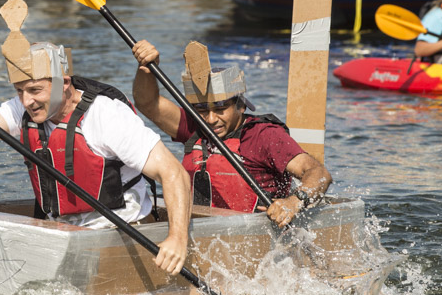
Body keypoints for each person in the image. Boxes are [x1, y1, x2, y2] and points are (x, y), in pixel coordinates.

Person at [0, 0, 192, 275]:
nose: (27, 101)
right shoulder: (21, 110)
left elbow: (174, 173)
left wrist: (177, 239)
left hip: (121, 233)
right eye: (19, 91)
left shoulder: (105, 116)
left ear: (64, 83)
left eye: (35, 90)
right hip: (63, 235)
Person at [131, 40, 332, 228]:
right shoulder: (194, 126)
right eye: (202, 109)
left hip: (252, 235)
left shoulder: (264, 135)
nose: (210, 119)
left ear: (240, 106)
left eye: (220, 108)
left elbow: (319, 173)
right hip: (201, 233)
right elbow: (148, 103)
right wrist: (147, 68)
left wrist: (294, 202)